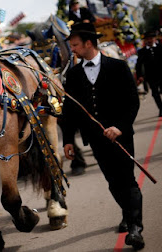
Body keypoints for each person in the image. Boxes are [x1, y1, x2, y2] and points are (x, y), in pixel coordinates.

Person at [63, 22, 144, 250]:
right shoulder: (74, 74)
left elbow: (132, 102)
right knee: (113, 183)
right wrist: (68, 139)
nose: (73, 50)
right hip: (96, 140)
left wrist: (119, 127)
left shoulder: (118, 67)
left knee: (127, 180)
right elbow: (70, 110)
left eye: (76, 45)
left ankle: (136, 227)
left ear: (89, 43)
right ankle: (128, 214)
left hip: (121, 136)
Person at [135, 31, 162, 117]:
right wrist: (139, 76)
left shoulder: (160, 47)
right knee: (155, 93)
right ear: (145, 40)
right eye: (147, 39)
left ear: (155, 39)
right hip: (151, 76)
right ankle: (161, 109)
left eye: (151, 38)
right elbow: (139, 65)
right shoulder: (142, 52)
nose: (149, 40)